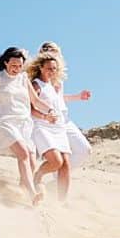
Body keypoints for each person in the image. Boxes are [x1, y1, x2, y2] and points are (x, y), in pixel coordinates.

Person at [0, 47, 58, 204]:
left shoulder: (23, 78)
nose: (16, 69)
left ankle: (20, 193)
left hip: (22, 123)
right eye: (13, 65)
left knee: (30, 158)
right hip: (3, 122)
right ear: (6, 62)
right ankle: (32, 193)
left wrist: (49, 111)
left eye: (19, 66)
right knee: (22, 153)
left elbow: (35, 100)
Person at [26, 50, 72, 200]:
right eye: (49, 68)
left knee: (65, 165)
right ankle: (38, 175)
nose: (52, 71)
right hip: (42, 126)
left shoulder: (52, 86)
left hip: (58, 128)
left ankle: (62, 201)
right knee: (56, 161)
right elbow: (30, 108)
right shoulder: (36, 84)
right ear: (41, 68)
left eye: (54, 69)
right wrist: (45, 116)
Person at [38, 41, 92, 168]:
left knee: (85, 150)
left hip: (64, 119)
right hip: (48, 120)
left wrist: (78, 96)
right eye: (48, 51)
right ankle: (45, 178)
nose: (52, 55)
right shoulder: (39, 77)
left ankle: (57, 180)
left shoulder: (58, 77)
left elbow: (58, 98)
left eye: (55, 52)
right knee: (60, 157)